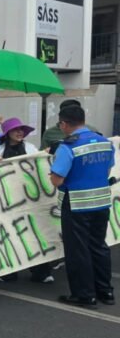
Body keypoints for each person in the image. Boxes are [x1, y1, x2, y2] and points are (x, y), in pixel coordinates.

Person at [49, 105, 115, 307]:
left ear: (64, 123)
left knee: (78, 250)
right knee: (99, 246)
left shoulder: (68, 146)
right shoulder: (105, 142)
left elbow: (57, 181)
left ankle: (84, 295)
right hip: (102, 202)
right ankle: (105, 291)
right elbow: (107, 169)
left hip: (77, 204)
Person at [0, 117, 54, 283]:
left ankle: (41, 272)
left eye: (22, 130)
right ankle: (9, 272)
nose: (20, 133)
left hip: (29, 198)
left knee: (35, 234)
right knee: (10, 235)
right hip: (7, 201)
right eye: (15, 130)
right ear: (7, 134)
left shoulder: (30, 147)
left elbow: (39, 165)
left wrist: (44, 156)